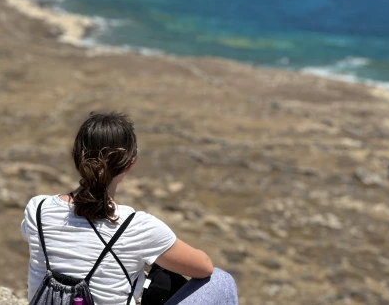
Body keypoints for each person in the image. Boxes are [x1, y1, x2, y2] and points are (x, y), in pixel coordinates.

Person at [21, 111, 238, 305]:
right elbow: (204, 267)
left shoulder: (37, 209)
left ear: (76, 156)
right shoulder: (138, 227)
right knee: (221, 280)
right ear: (130, 163)